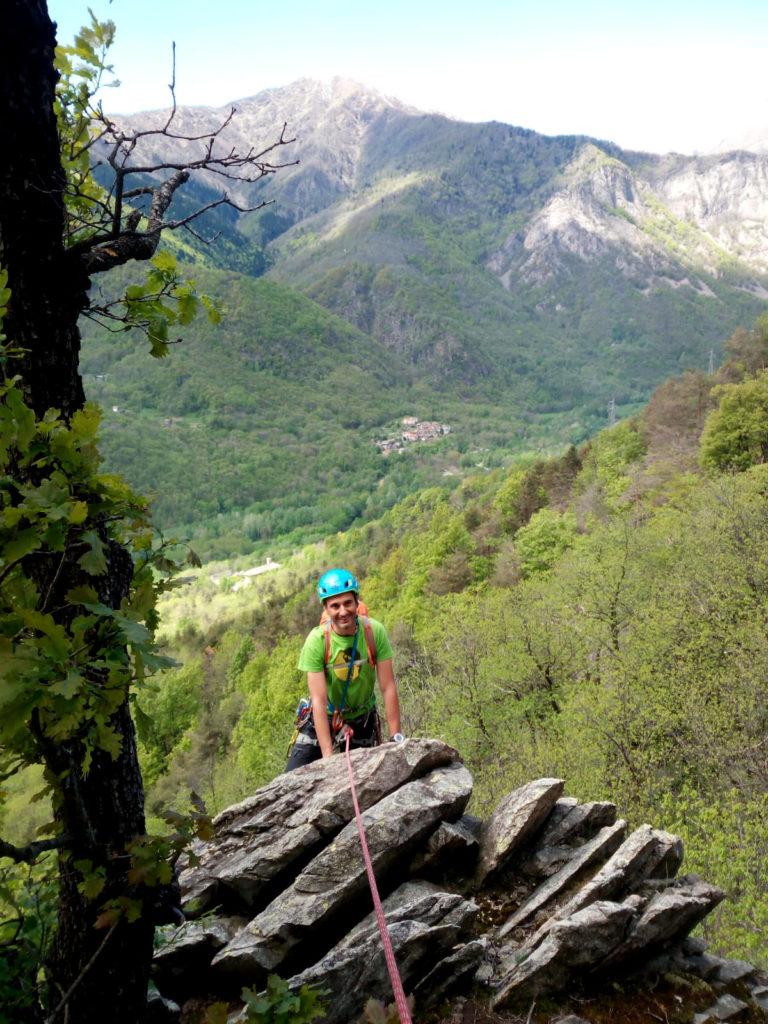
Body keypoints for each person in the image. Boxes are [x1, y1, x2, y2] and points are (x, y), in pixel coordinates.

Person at [285, 568, 405, 771]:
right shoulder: (317, 641)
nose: (343, 611)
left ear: (356, 602)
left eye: (348, 603)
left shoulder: (374, 632)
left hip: (362, 717)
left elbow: (388, 687)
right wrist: (328, 756)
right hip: (325, 718)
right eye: (335, 606)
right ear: (326, 608)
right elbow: (319, 701)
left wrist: (396, 738)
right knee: (291, 778)